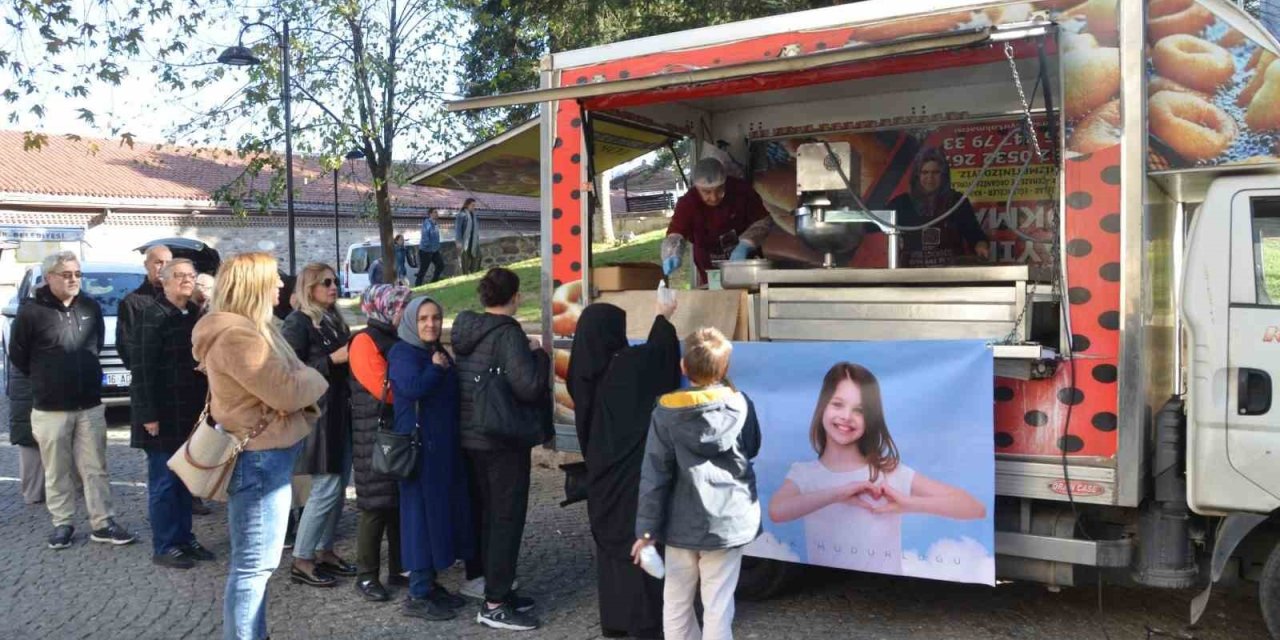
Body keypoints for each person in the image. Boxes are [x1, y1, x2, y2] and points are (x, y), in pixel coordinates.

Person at [192, 252, 328, 640]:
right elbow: (287, 390)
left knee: (257, 566)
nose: (281, 285)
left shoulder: (254, 329)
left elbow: (289, 380)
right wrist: (316, 378)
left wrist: (301, 377)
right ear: (252, 285)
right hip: (259, 460)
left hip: (266, 456)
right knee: (254, 567)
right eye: (273, 278)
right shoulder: (238, 336)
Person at [766, 362, 986, 574]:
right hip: (829, 594)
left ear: (870, 417)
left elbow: (974, 507)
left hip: (884, 594)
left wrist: (909, 504)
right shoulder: (805, 474)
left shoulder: (887, 471)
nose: (846, 417)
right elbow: (777, 511)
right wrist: (839, 492)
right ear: (822, 405)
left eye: (859, 410)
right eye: (837, 404)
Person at [632, 327, 761, 640]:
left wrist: (646, 532)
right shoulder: (741, 404)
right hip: (728, 521)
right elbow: (753, 447)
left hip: (681, 524)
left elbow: (655, 475)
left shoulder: (665, 414)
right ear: (726, 368)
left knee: (675, 603)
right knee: (718, 607)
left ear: (683, 368)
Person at [567, 300, 681, 640]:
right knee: (639, 544)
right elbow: (660, 356)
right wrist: (662, 315)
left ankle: (615, 619)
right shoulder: (627, 369)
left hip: (602, 473)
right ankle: (645, 622)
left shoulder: (583, 371)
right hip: (634, 476)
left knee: (613, 554)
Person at [11, 251, 137, 550]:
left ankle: (103, 522)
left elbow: (93, 348)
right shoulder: (31, 313)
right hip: (50, 407)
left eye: (77, 274)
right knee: (57, 469)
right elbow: (20, 356)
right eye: (66, 274)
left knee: (95, 467)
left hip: (90, 404)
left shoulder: (90, 307)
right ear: (49, 277)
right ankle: (63, 523)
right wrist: (50, 378)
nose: (73, 279)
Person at [451, 267, 549, 631]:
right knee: (506, 517)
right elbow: (528, 387)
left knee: (485, 513)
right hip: (502, 439)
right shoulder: (509, 334)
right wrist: (538, 354)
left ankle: (492, 585)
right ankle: (494, 603)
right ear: (516, 297)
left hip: (471, 435)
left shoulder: (465, 329)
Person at [388, 295, 474, 622]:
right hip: (418, 451)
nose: (430, 324)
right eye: (423, 318)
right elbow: (411, 387)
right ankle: (418, 592)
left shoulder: (434, 351)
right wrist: (437, 370)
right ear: (412, 321)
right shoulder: (403, 353)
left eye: (435, 318)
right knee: (419, 519)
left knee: (438, 515)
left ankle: (430, 583)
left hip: (441, 449)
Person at [128, 258, 215, 568]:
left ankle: (185, 538)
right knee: (164, 483)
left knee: (186, 480)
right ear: (163, 282)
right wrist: (147, 414)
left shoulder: (195, 315)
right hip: (162, 415)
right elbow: (141, 369)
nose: (186, 280)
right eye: (178, 276)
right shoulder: (150, 315)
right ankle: (165, 544)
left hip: (191, 413)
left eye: (191, 275)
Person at [283, 262, 356, 587]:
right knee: (325, 487)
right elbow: (289, 371)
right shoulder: (297, 322)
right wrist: (331, 360)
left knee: (338, 487)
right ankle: (302, 557)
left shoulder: (334, 319)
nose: (333, 286)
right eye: (326, 282)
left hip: (340, 411)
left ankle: (324, 550)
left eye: (335, 281)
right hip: (317, 416)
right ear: (309, 287)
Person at [348, 284, 414, 601]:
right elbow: (381, 388)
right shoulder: (364, 341)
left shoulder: (398, 337)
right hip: (373, 435)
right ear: (384, 307)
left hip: (394, 430)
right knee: (375, 506)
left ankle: (400, 568)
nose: (408, 312)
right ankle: (366, 575)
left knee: (397, 503)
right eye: (403, 306)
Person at [662, 157, 772, 285]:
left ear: (725, 182)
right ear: (697, 187)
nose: (714, 198)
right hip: (708, 261)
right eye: (706, 192)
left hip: (745, 259)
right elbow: (676, 233)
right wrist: (672, 253)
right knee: (716, 296)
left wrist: (746, 245)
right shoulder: (688, 203)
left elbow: (763, 221)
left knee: (750, 294)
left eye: (719, 190)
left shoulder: (742, 191)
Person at [887, 148, 989, 268]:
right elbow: (871, 226)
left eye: (935, 172)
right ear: (917, 175)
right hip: (911, 275)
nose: (930, 178)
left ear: (944, 175)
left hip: (950, 274)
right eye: (925, 172)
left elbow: (975, 235)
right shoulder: (901, 203)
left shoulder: (957, 201)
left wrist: (981, 245)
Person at [118, 243, 172, 370]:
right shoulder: (132, 302)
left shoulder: (180, 298)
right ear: (146, 265)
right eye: (158, 262)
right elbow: (126, 344)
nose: (163, 267)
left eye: (168, 263)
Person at [415, 209, 447, 286]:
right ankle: (417, 285)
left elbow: (436, 237)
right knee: (423, 270)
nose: (437, 213)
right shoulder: (427, 223)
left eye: (437, 212)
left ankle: (434, 282)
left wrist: (436, 247)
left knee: (440, 265)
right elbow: (425, 236)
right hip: (426, 251)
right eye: (435, 212)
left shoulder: (435, 224)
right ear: (430, 214)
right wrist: (428, 246)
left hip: (434, 250)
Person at [455, 198, 482, 275]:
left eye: (474, 205)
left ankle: (474, 273)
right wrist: (458, 241)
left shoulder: (474, 215)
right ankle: (465, 275)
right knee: (465, 260)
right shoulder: (461, 215)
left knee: (478, 256)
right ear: (467, 205)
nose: (474, 207)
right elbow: (458, 229)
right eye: (472, 205)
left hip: (473, 240)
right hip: (465, 241)